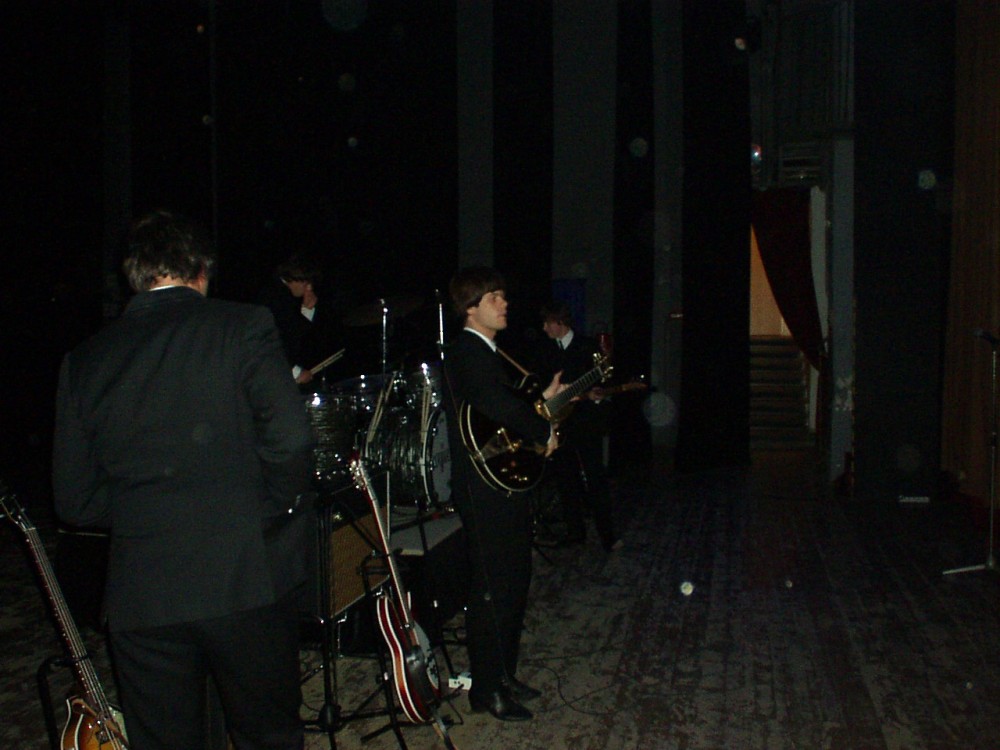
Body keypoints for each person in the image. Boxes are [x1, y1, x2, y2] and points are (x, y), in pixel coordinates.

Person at [52, 209, 316, 750]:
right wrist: (262, 510)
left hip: (143, 592)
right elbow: (291, 440)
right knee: (268, 736)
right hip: (243, 576)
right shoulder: (242, 326)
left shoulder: (84, 360)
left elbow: (74, 501)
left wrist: (149, 513)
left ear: (135, 275)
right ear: (201, 269)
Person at [441, 267, 562, 722]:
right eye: (494, 297)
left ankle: (503, 675)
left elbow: (498, 413)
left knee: (513, 581)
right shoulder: (466, 350)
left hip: (500, 482)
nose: (504, 303)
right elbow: (495, 404)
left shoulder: (487, 353)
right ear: (470, 308)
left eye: (503, 296)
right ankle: (486, 689)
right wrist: (542, 428)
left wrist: (543, 402)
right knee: (493, 588)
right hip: (483, 487)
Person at [537, 300, 620, 551]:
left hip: (586, 424)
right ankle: (575, 533)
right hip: (559, 426)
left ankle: (608, 536)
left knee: (595, 478)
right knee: (566, 481)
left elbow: (605, 380)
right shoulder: (545, 350)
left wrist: (596, 394)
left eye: (547, 323)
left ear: (560, 322)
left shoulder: (588, 346)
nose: (544, 328)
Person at [259, 254, 346, 387]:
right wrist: (295, 372)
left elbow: (296, 333)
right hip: (274, 372)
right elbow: (274, 340)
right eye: (307, 283)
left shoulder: (282, 292)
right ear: (295, 279)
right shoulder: (276, 298)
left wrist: (306, 310)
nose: (309, 288)